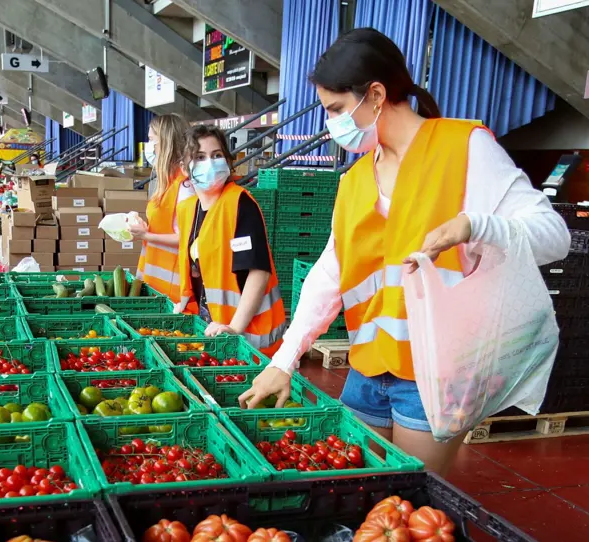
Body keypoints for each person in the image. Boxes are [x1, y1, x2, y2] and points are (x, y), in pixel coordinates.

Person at [240, 28, 571, 475]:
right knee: (366, 498)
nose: (331, 124)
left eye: (336, 109)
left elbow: (554, 236)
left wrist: (476, 226)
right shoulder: (354, 181)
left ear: (375, 95)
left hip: (434, 374)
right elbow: (330, 274)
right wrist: (287, 357)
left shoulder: (463, 147)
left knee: (414, 507)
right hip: (366, 371)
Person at [174, 124, 287, 357]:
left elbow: (258, 272)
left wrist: (234, 327)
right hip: (213, 326)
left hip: (248, 336)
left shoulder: (240, 204)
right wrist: (185, 300)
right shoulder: (188, 209)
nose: (210, 163)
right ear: (185, 168)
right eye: (199, 157)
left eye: (217, 155)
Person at [128, 114, 193, 303]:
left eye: (151, 139)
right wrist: (141, 226)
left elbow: (186, 238)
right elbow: (164, 224)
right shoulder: (166, 183)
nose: (149, 146)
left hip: (174, 291)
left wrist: (145, 236)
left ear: (167, 142)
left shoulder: (185, 186)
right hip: (157, 284)